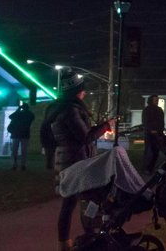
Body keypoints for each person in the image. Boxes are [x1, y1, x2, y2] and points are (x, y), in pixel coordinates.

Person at [44, 70, 115, 250]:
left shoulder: (62, 108)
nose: (84, 93)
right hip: (76, 162)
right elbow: (85, 137)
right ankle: (93, 239)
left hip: (68, 160)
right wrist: (106, 126)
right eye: (82, 90)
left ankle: (65, 244)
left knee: (69, 205)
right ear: (75, 91)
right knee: (93, 199)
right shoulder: (70, 110)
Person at [8, 101, 35, 170]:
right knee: (24, 151)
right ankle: (23, 165)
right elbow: (32, 117)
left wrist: (18, 109)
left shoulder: (18, 114)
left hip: (16, 134)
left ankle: (14, 165)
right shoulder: (29, 115)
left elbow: (10, 116)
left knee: (14, 151)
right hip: (25, 135)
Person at [141, 94, 165, 174]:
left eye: (157, 100)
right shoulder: (147, 110)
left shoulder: (159, 110)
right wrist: (150, 130)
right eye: (155, 100)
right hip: (149, 134)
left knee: (156, 152)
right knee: (149, 151)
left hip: (158, 133)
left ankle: (152, 167)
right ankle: (146, 168)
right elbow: (145, 121)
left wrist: (159, 130)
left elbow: (161, 121)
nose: (156, 102)